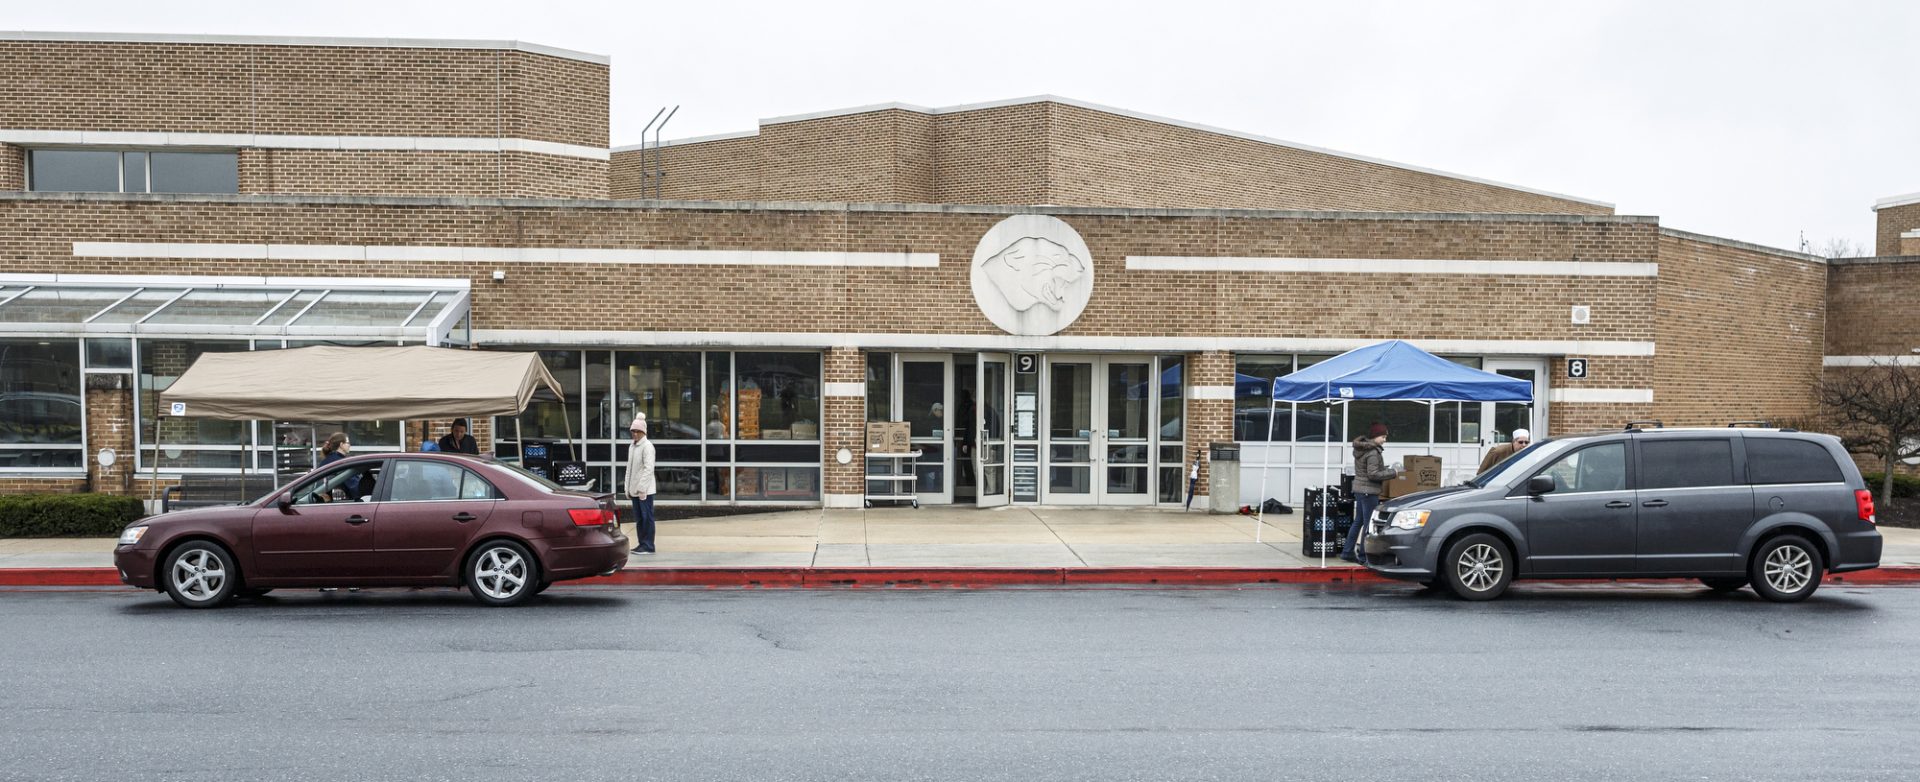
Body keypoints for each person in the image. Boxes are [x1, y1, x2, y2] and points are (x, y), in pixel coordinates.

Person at [1343, 422, 1401, 564]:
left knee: (1358, 522)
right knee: (1368, 524)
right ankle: (1363, 556)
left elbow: (1369, 470)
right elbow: (1373, 474)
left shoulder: (1363, 449)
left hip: (1360, 489)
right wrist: (1393, 472)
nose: (1384, 440)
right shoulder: (1373, 452)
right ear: (1375, 437)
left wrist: (1384, 469)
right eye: (1382, 437)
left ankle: (1347, 552)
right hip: (1369, 491)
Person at [625, 413, 657, 555]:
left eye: (638, 431)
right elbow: (629, 469)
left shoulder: (647, 446)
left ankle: (648, 545)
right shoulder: (632, 447)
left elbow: (648, 469)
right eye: (633, 431)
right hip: (635, 491)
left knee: (647, 518)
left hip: (645, 491)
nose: (635, 434)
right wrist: (627, 488)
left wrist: (642, 488)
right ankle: (641, 544)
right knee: (639, 519)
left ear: (643, 432)